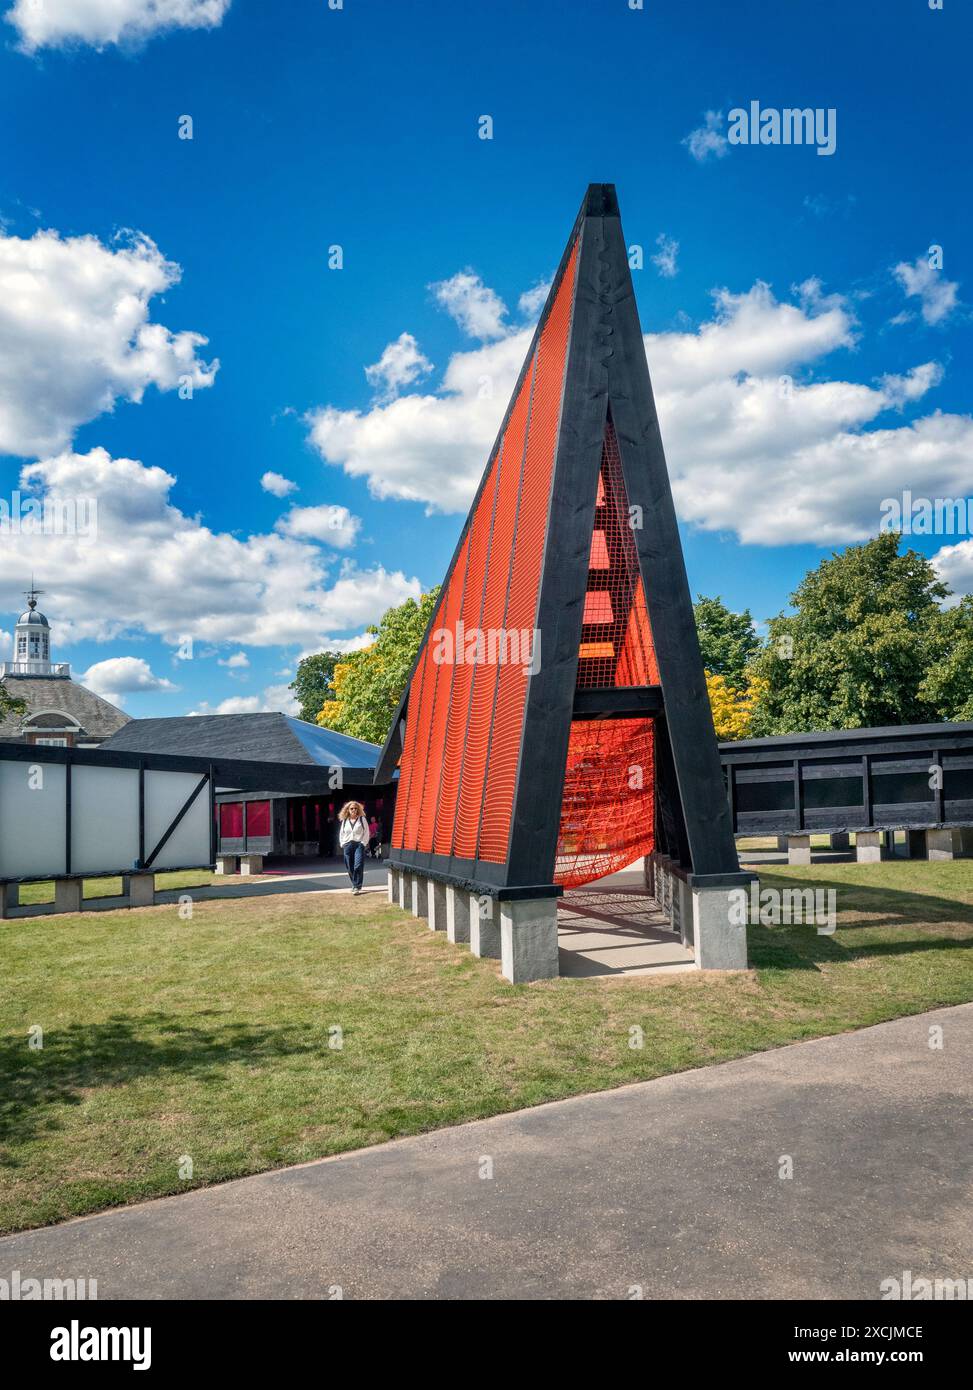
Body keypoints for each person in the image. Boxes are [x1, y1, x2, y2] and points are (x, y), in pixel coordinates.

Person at [338, 801, 370, 894]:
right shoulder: (345, 820)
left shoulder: (362, 819)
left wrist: (363, 843)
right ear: (348, 810)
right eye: (351, 808)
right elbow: (341, 833)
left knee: (358, 864)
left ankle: (357, 886)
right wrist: (342, 843)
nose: (354, 810)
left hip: (358, 845)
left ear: (358, 809)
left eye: (355, 808)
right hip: (347, 845)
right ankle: (354, 884)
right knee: (349, 866)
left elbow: (366, 832)